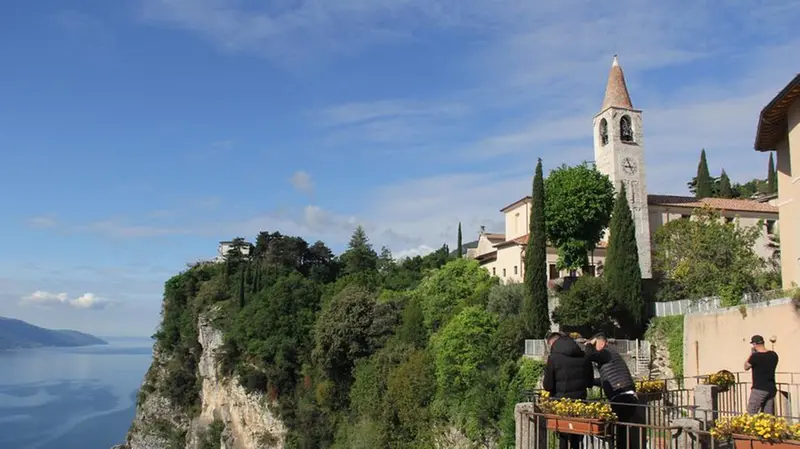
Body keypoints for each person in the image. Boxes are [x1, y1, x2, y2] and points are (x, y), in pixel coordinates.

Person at [584, 333, 644, 449]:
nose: (594, 347)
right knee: (621, 431)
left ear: (601, 342)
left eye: (595, 344)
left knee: (620, 432)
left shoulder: (606, 352)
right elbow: (607, 378)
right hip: (626, 395)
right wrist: (591, 382)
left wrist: (588, 344)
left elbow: (589, 356)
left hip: (622, 396)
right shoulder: (610, 355)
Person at [542, 332, 594, 449]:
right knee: (577, 435)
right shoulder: (584, 356)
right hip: (580, 403)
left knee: (563, 436)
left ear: (552, 343)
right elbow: (589, 383)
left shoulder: (554, 358)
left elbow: (548, 386)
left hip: (562, 404)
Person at [744, 334, 779, 415]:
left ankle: (750, 428)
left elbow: (746, 367)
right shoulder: (773, 355)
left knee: (751, 413)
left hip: (759, 388)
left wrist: (751, 354)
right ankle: (769, 427)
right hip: (771, 388)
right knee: (768, 415)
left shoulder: (755, 357)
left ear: (754, 344)